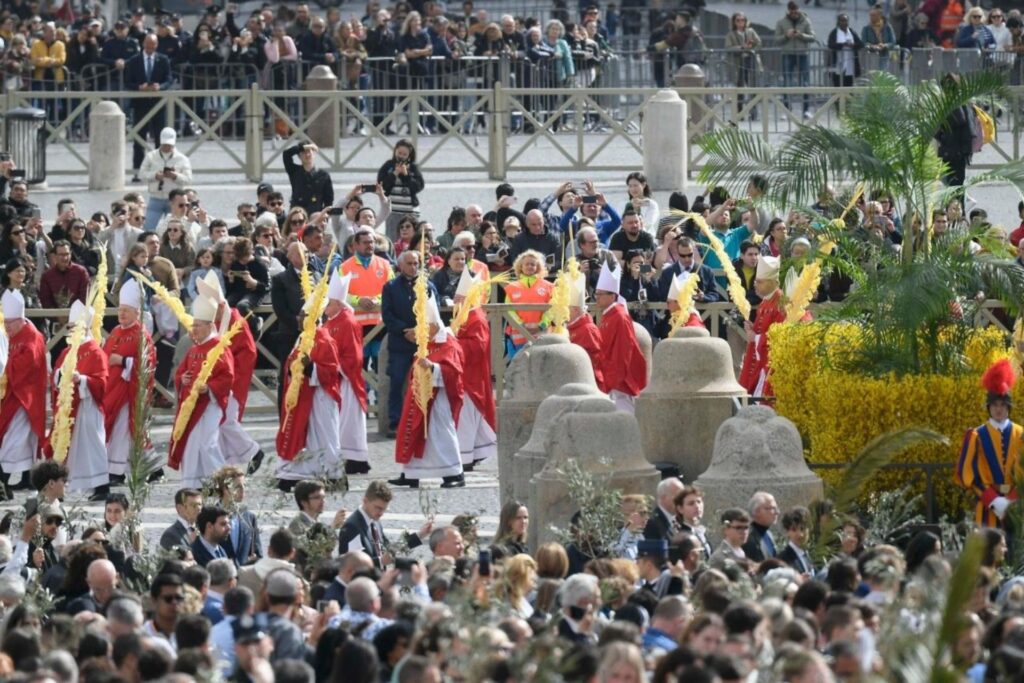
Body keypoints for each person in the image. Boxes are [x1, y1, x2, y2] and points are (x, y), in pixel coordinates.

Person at [391, 294, 466, 489]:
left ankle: (454, 474)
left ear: (434, 325)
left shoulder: (448, 343)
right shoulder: (425, 344)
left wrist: (433, 368)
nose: (421, 331)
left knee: (441, 435)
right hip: (419, 397)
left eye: (425, 327)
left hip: (439, 400)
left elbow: (454, 372)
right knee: (412, 430)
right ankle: (411, 473)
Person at [196, 271, 265, 475]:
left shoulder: (234, 319)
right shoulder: (211, 320)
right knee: (221, 423)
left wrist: (228, 370)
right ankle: (228, 465)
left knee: (225, 421)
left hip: (231, 380)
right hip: (213, 382)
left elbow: (248, 351)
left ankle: (253, 451)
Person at [275, 287, 343, 490]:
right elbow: (290, 363)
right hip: (301, 395)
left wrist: (310, 367)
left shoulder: (324, 339)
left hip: (319, 397)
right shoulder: (303, 337)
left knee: (322, 436)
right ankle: (294, 474)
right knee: (299, 434)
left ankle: (333, 475)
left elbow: (332, 371)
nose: (299, 318)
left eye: (303, 315)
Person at [167, 285, 233, 489]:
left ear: (210, 326)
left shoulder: (218, 346)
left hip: (208, 406)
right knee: (191, 444)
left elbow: (228, 376)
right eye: (193, 325)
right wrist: (183, 379)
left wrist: (209, 387)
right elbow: (181, 372)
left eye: (198, 325)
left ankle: (225, 482)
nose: (193, 329)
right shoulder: (195, 348)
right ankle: (197, 484)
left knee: (207, 443)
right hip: (191, 405)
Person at [44, 299, 109, 501]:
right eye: (69, 327)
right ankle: (62, 487)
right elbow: (56, 374)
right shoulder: (66, 351)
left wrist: (81, 379)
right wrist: (60, 378)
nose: (70, 330)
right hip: (68, 409)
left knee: (92, 445)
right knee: (67, 448)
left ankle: (101, 486)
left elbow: (102, 382)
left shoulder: (95, 351)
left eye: (74, 327)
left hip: (87, 408)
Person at [956, 359, 1024, 528]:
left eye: (1002, 405)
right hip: (987, 508)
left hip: (1017, 507)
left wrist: (1013, 499)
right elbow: (967, 475)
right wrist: (992, 500)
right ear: (988, 407)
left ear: (1008, 407)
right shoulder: (976, 435)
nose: (998, 409)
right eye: (994, 405)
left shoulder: (1021, 434)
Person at [101, 278, 157, 485]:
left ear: (136, 312)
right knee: (130, 432)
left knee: (123, 429)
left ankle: (115, 471)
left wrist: (123, 361)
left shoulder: (141, 333)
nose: (121, 313)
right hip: (113, 389)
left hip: (129, 391)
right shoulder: (116, 332)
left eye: (126, 310)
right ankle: (154, 468)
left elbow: (148, 362)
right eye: (120, 309)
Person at [381, 250, 438, 439]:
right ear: (401, 265)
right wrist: (406, 331)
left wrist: (419, 331)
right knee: (397, 380)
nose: (413, 267)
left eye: (416, 263)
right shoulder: (390, 287)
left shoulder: (428, 286)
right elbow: (387, 315)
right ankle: (395, 421)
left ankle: (425, 418)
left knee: (426, 380)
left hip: (422, 342)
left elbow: (434, 313)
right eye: (410, 263)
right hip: (400, 342)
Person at [322, 269, 370, 474]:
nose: (325, 306)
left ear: (339, 304)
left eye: (329, 303)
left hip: (346, 379)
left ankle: (355, 459)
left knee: (349, 420)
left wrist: (334, 366)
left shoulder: (348, 322)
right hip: (334, 377)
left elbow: (355, 355)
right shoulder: (331, 320)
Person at [738, 255, 807, 399]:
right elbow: (765, 328)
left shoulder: (782, 303)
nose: (755, 285)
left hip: (771, 365)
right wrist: (754, 328)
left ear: (773, 282)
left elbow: (782, 335)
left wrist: (755, 337)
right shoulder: (765, 301)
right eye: (756, 281)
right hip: (760, 359)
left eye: (759, 282)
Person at [0, 289, 46, 494]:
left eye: (10, 323)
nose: (7, 327)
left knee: (14, 439)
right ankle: (27, 478)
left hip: (25, 396)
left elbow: (27, 365)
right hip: (13, 394)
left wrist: (4, 368)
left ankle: (3, 482)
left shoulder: (32, 337)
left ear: (20, 320)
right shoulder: (12, 333)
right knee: (19, 439)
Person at [451, 269, 497, 472]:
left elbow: (477, 347)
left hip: (472, 375)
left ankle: (465, 456)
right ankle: (477, 452)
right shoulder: (463, 315)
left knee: (467, 416)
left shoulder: (476, 317)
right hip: (464, 372)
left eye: (459, 297)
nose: (455, 300)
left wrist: (453, 343)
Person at [337, 480, 427, 569]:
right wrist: (380, 561)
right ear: (365, 501)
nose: (381, 513)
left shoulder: (375, 522)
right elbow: (351, 566)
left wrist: (420, 535)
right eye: (378, 508)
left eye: (384, 509)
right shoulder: (352, 527)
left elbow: (389, 548)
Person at [594, 261, 647, 413]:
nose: (596, 297)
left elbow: (623, 350)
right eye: (596, 293)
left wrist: (611, 380)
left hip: (620, 381)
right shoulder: (609, 315)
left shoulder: (620, 316)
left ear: (613, 296)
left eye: (600, 294)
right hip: (610, 377)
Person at [125, 34, 174, 181]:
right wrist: (139, 87)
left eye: (152, 45)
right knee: (139, 139)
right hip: (140, 104)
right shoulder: (134, 61)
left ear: (156, 45)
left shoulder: (163, 59)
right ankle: (137, 172)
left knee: (161, 139)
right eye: (147, 45)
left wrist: (161, 86)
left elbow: (169, 79)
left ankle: (161, 171)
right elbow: (127, 81)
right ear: (143, 44)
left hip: (158, 103)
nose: (150, 48)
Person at [139, 128, 193, 231]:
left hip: (174, 200)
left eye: (169, 145)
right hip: (155, 197)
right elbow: (141, 174)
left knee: (176, 228)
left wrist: (175, 176)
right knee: (149, 228)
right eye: (165, 144)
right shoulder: (151, 156)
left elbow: (188, 179)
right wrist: (155, 176)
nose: (167, 147)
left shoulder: (182, 159)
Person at [503, 250, 553, 357]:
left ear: (538, 267)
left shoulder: (549, 286)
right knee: (520, 370)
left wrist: (542, 325)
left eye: (533, 264)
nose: (530, 266)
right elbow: (509, 310)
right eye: (527, 264)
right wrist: (520, 326)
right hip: (518, 336)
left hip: (542, 335)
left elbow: (552, 309)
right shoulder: (512, 287)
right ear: (521, 266)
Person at [566, 272, 606, 392]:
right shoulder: (567, 327)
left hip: (588, 381)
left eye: (567, 308)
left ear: (576, 310)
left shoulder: (588, 329)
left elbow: (596, 359)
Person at [378, 139, 424, 240]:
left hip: (410, 210)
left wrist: (406, 175)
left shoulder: (413, 168)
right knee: (393, 238)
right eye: (399, 153)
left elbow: (418, 186)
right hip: (393, 210)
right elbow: (382, 185)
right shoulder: (388, 166)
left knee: (411, 239)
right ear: (395, 151)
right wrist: (394, 174)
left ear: (409, 155)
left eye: (404, 154)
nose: (401, 156)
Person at [775, 2, 815, 117]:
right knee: (787, 82)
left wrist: (801, 35)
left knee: (806, 82)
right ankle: (787, 109)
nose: (794, 14)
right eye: (791, 12)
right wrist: (786, 36)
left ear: (799, 10)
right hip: (787, 54)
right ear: (788, 11)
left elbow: (813, 37)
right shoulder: (781, 22)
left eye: (796, 11)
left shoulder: (806, 21)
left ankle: (806, 110)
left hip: (803, 54)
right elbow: (777, 40)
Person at [283, 142, 333, 215]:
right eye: (303, 152)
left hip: (316, 214)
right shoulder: (294, 171)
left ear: (314, 154)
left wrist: (325, 216)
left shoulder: (323, 175)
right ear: (299, 156)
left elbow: (329, 200)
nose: (307, 155)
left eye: (309, 151)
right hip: (297, 215)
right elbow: (286, 154)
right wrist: (305, 147)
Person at [160, 488, 203, 552]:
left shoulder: (205, 529)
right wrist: (192, 544)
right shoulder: (169, 536)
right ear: (180, 508)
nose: (198, 508)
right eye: (193, 505)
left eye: (200, 504)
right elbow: (175, 560)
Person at [827, 14, 863, 87]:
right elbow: (831, 44)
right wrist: (843, 44)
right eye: (842, 21)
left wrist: (853, 45)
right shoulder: (834, 33)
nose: (844, 23)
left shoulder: (852, 32)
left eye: (846, 21)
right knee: (837, 85)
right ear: (838, 22)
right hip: (837, 64)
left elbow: (860, 44)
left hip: (850, 64)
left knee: (849, 85)